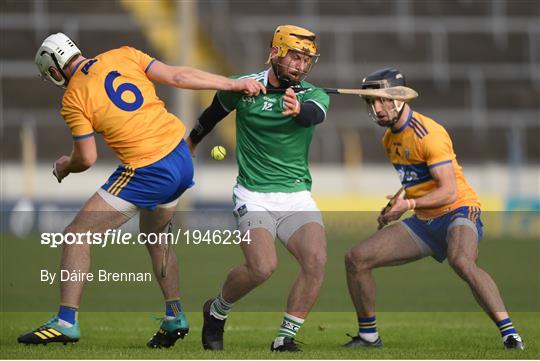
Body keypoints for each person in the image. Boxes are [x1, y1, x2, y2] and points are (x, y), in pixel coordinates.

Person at [17, 32, 265, 348]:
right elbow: (179, 75)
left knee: (76, 234)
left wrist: (65, 166)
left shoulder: (73, 97)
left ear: (54, 71)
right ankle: (175, 315)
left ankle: (66, 321)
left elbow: (87, 158)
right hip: (180, 157)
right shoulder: (123, 53)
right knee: (155, 236)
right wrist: (233, 83)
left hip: (149, 170)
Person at [343, 68, 524, 350]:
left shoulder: (430, 134)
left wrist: (409, 204)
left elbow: (448, 190)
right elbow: (417, 179)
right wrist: (398, 203)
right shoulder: (389, 139)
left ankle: (510, 334)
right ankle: (368, 336)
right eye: (371, 103)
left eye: (381, 101)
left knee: (462, 261)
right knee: (356, 259)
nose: (376, 109)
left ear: (399, 99)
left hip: (459, 211)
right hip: (425, 222)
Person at [186, 25, 329, 352]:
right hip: (253, 195)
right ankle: (217, 311)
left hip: (296, 196)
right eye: (295, 57)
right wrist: (190, 144)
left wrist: (297, 110)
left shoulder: (312, 95)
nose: (301, 66)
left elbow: (313, 115)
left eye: (307, 60)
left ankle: (284, 338)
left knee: (316, 261)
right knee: (262, 267)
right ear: (276, 52)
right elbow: (209, 117)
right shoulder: (243, 87)